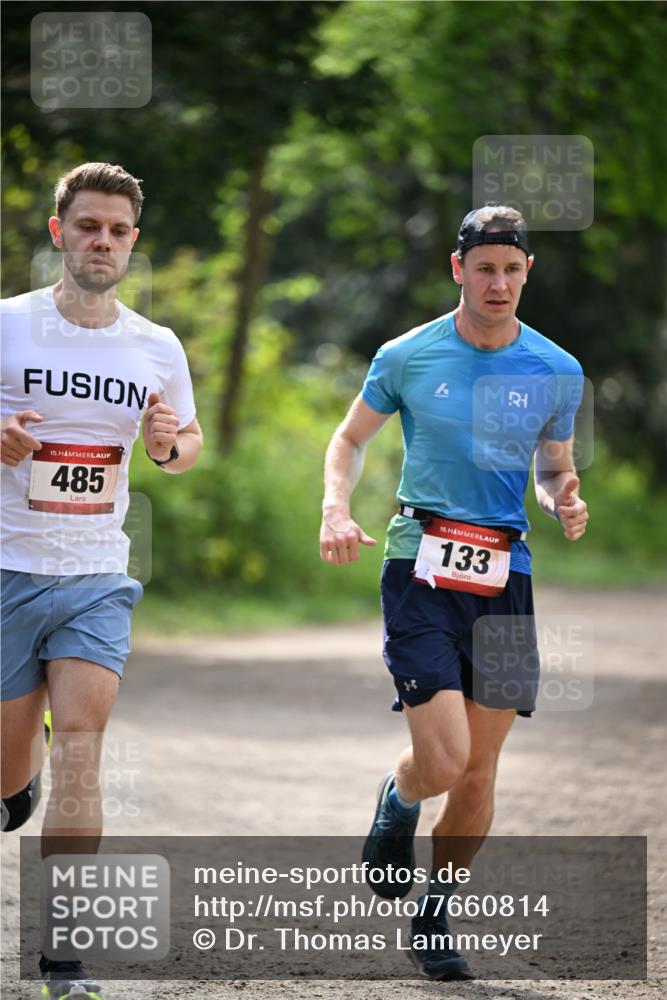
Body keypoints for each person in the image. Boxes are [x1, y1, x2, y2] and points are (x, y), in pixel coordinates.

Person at [319, 206, 587, 981]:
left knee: (477, 773)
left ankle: (434, 915)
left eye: (511, 269)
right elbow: (350, 438)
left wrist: (562, 496)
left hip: (506, 575)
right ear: (457, 269)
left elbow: (550, 467)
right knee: (440, 761)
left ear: (526, 271)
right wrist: (335, 506)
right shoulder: (406, 355)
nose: (497, 282)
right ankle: (399, 799)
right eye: (484, 268)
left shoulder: (555, 369)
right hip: (421, 565)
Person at [1, 162, 203, 999]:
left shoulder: (156, 346)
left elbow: (184, 447)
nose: (103, 242)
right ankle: (18, 784)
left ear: (133, 243)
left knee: (84, 741)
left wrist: (164, 441)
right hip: (7, 569)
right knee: (10, 785)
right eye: (88, 226)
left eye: (118, 231)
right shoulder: (8, 326)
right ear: (59, 233)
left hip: (95, 576)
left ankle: (64, 954)